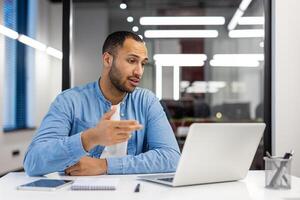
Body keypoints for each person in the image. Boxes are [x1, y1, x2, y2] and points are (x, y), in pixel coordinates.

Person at [23, 31, 180, 176]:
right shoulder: (69, 101)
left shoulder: (146, 101)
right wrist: (89, 138)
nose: (139, 71)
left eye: (143, 63)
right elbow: (33, 162)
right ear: (107, 59)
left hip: (131, 193)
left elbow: (171, 157)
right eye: (132, 61)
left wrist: (104, 165)